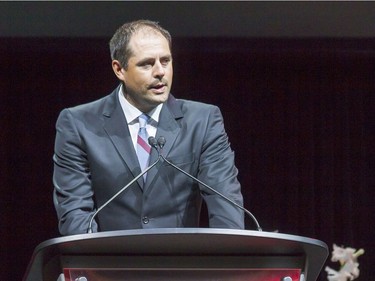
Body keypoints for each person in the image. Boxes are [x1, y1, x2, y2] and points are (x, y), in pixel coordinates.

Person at [53, 19, 244, 236]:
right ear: (119, 69)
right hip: (109, 264)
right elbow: (75, 213)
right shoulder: (79, 124)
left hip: (182, 264)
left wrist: (229, 263)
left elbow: (226, 204)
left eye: (166, 61)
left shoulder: (203, 120)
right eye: (146, 64)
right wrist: (97, 265)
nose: (160, 72)